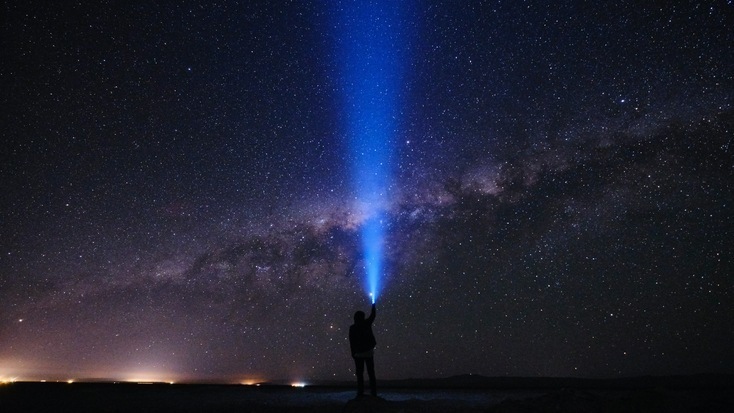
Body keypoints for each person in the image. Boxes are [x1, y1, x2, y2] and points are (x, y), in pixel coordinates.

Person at [349, 302, 377, 397]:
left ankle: (360, 391)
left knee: (360, 373)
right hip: (368, 352)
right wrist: (373, 305)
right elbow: (373, 315)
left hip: (358, 354)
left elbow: (351, 342)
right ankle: (373, 391)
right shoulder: (366, 323)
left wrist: (353, 353)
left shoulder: (352, 328)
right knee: (371, 373)